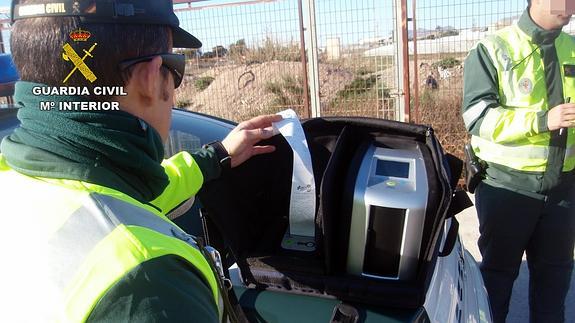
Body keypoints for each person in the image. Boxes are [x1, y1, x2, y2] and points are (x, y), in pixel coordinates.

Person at [0, 0, 281, 322]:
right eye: (176, 70)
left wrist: (216, 156)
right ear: (150, 77)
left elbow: (129, 194)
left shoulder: (15, 179)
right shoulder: (149, 280)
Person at [462, 0, 575, 322]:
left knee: (555, 281)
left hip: (562, 192)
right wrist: (542, 120)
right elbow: (477, 117)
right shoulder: (493, 49)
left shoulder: (572, 47)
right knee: (496, 279)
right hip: (506, 188)